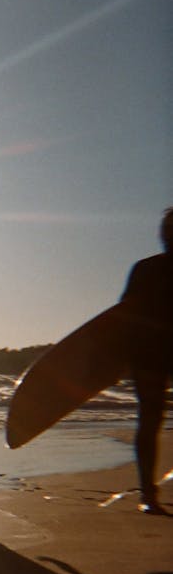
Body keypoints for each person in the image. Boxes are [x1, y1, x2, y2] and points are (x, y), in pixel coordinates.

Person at [120, 207, 173, 515]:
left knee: (151, 421)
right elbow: (123, 316)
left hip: (157, 353)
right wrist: (121, 358)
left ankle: (148, 494)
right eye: (167, 228)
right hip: (149, 354)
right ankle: (148, 493)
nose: (169, 234)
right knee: (150, 421)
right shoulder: (145, 269)